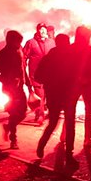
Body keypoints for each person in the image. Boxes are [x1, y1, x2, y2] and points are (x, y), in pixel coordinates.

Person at [34, 33, 79, 165]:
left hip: (55, 94)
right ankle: (69, 155)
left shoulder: (50, 57)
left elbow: (38, 76)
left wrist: (49, 83)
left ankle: (42, 145)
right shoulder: (72, 57)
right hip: (67, 94)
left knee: (54, 122)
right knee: (69, 124)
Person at [0, 30, 28, 148]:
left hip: (20, 88)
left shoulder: (19, 51)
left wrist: (28, 84)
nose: (19, 44)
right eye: (17, 41)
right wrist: (7, 80)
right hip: (9, 89)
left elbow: (22, 69)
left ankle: (9, 127)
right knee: (13, 112)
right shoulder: (2, 54)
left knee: (23, 113)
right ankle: (13, 139)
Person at [24, 23, 53, 125]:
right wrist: (24, 73)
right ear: (37, 31)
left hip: (50, 76)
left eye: (44, 29)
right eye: (40, 29)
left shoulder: (51, 43)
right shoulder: (31, 43)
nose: (43, 31)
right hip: (35, 75)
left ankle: (47, 114)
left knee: (48, 96)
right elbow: (23, 58)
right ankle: (40, 115)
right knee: (40, 96)